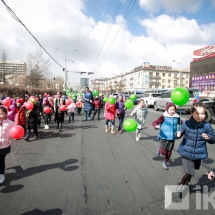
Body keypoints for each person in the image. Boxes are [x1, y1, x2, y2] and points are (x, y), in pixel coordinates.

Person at [176, 102, 215, 192]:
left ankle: (187, 183)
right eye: (197, 114)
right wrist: (177, 134)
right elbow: (179, 132)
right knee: (189, 170)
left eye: (202, 114)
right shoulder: (186, 123)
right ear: (192, 113)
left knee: (192, 170)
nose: (200, 116)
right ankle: (181, 183)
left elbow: (213, 138)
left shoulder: (207, 126)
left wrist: (209, 137)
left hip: (199, 153)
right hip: (186, 151)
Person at [152, 102, 181, 170]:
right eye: (170, 109)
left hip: (172, 137)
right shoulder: (163, 116)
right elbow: (155, 122)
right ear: (167, 109)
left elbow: (183, 124)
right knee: (163, 152)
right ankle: (159, 149)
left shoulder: (177, 117)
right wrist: (156, 126)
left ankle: (165, 162)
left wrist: (182, 129)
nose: (172, 111)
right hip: (164, 136)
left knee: (169, 152)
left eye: (173, 109)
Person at [0, 106, 15, 184]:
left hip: (5, 145)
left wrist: (15, 136)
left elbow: (14, 132)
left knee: (1, 161)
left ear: (6, 114)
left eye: (1, 114)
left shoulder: (11, 123)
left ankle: (2, 174)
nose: (0, 116)